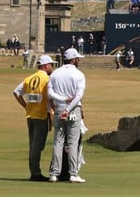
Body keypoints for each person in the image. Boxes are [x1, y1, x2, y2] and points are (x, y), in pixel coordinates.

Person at [13, 54, 56, 182]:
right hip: (41, 115)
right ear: (46, 66)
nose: (52, 67)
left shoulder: (29, 78)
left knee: (33, 145)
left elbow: (16, 92)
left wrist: (25, 106)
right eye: (51, 65)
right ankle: (35, 173)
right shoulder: (47, 79)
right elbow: (50, 97)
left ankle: (34, 171)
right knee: (37, 146)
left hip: (30, 114)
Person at [48, 48, 87, 183]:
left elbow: (50, 94)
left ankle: (54, 173)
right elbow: (78, 96)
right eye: (77, 58)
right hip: (73, 110)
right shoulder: (79, 74)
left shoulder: (55, 74)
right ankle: (73, 173)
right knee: (72, 142)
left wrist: (63, 102)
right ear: (73, 59)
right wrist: (69, 108)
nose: (78, 60)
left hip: (59, 108)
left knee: (58, 141)